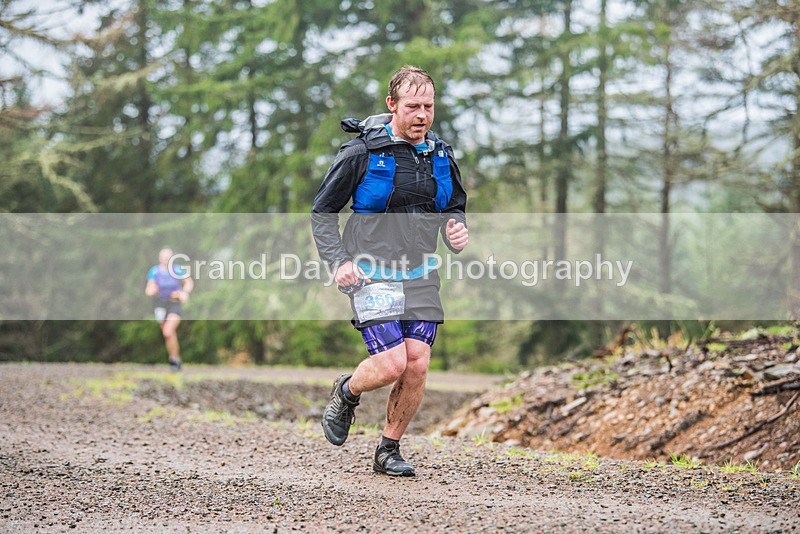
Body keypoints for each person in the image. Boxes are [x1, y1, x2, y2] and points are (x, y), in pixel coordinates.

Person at [311, 65, 469, 477]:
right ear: (392, 105)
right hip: (369, 271)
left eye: (429, 106)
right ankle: (347, 391)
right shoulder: (361, 153)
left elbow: (453, 206)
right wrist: (338, 262)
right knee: (391, 365)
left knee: (417, 363)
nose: (422, 115)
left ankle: (388, 449)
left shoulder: (440, 155)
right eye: (413, 106)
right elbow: (323, 212)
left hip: (420, 272)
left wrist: (456, 230)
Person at [145, 247, 193, 371]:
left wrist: (184, 292)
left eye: (168, 258)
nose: (166, 260)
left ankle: (174, 359)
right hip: (160, 305)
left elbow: (188, 282)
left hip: (174, 303)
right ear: (160, 259)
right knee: (168, 335)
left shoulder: (178, 269)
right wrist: (151, 291)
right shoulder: (154, 271)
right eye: (164, 258)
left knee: (168, 331)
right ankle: (175, 359)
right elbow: (149, 288)